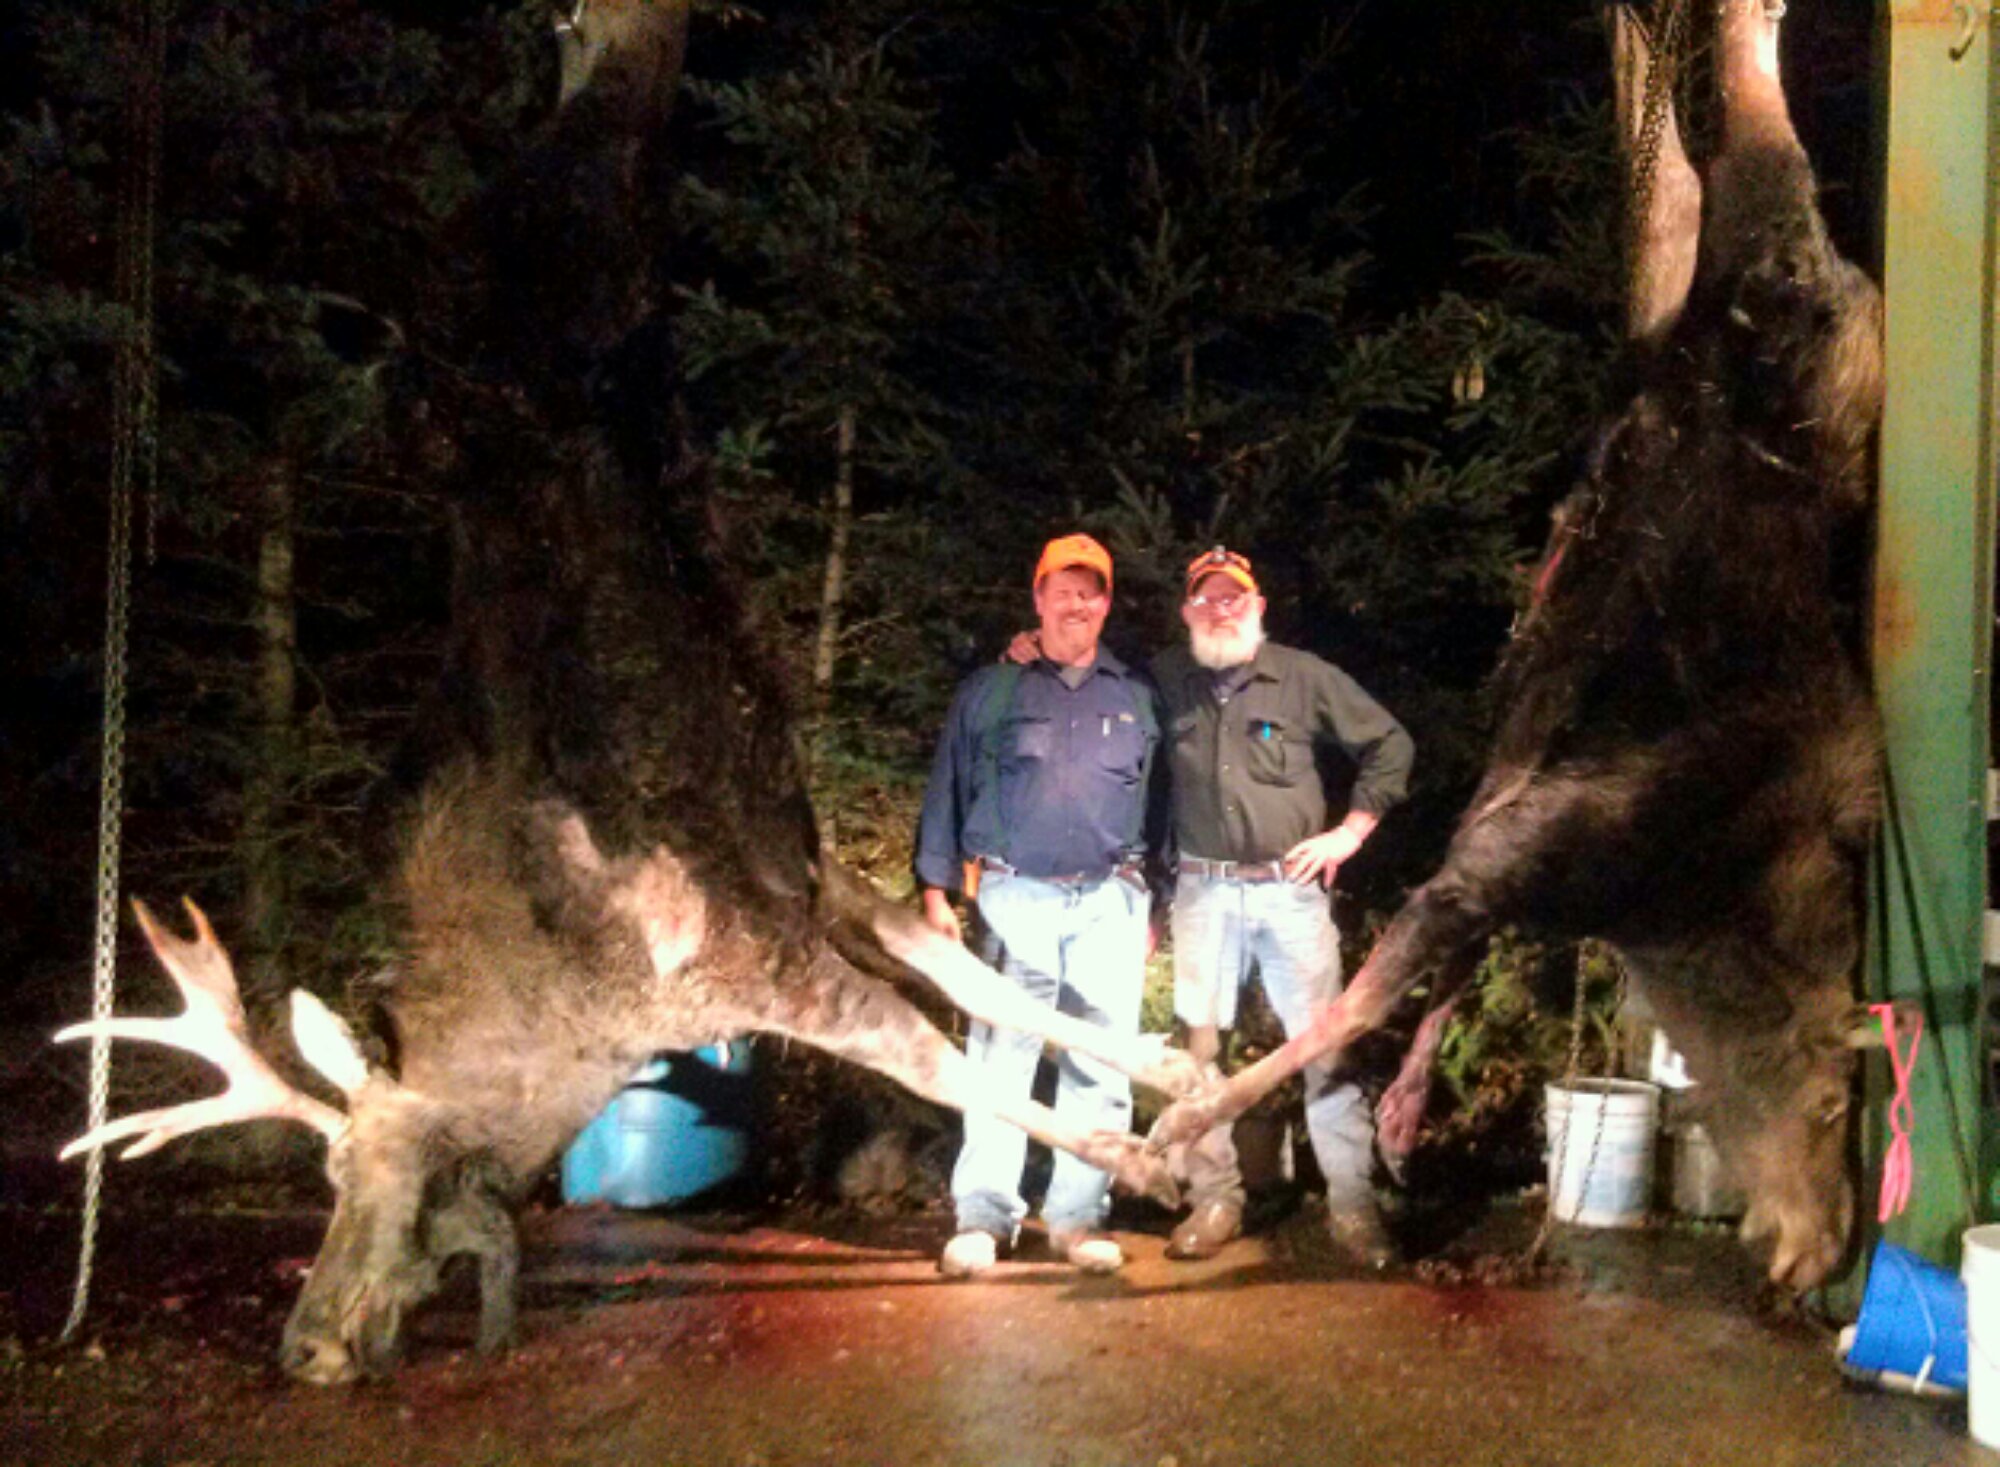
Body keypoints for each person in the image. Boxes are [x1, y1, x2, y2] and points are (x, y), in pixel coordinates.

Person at [914, 533, 1166, 1279]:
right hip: (1011, 897)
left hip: (1109, 902)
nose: (1075, 603)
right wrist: (935, 891)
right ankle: (984, 1219)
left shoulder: (1136, 697)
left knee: (1101, 1066)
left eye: (1090, 591)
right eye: (1063, 589)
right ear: (1039, 598)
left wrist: (1155, 903)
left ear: (1106, 603)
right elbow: (947, 787)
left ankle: (1079, 1219)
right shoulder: (992, 691)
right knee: (1000, 1059)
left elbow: (1164, 806)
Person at [1157, 546, 1413, 1267]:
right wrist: (1027, 651)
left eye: (1233, 597)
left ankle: (1352, 1204)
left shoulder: (1303, 677)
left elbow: (1390, 744)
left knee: (1324, 1046)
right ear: (1186, 611)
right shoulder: (1166, 679)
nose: (1220, 610)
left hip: (1290, 893)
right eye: (1206, 599)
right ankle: (1214, 1199)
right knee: (1201, 1053)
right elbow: (1094, 686)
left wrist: (1349, 833)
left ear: (1258, 606)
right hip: (1202, 891)